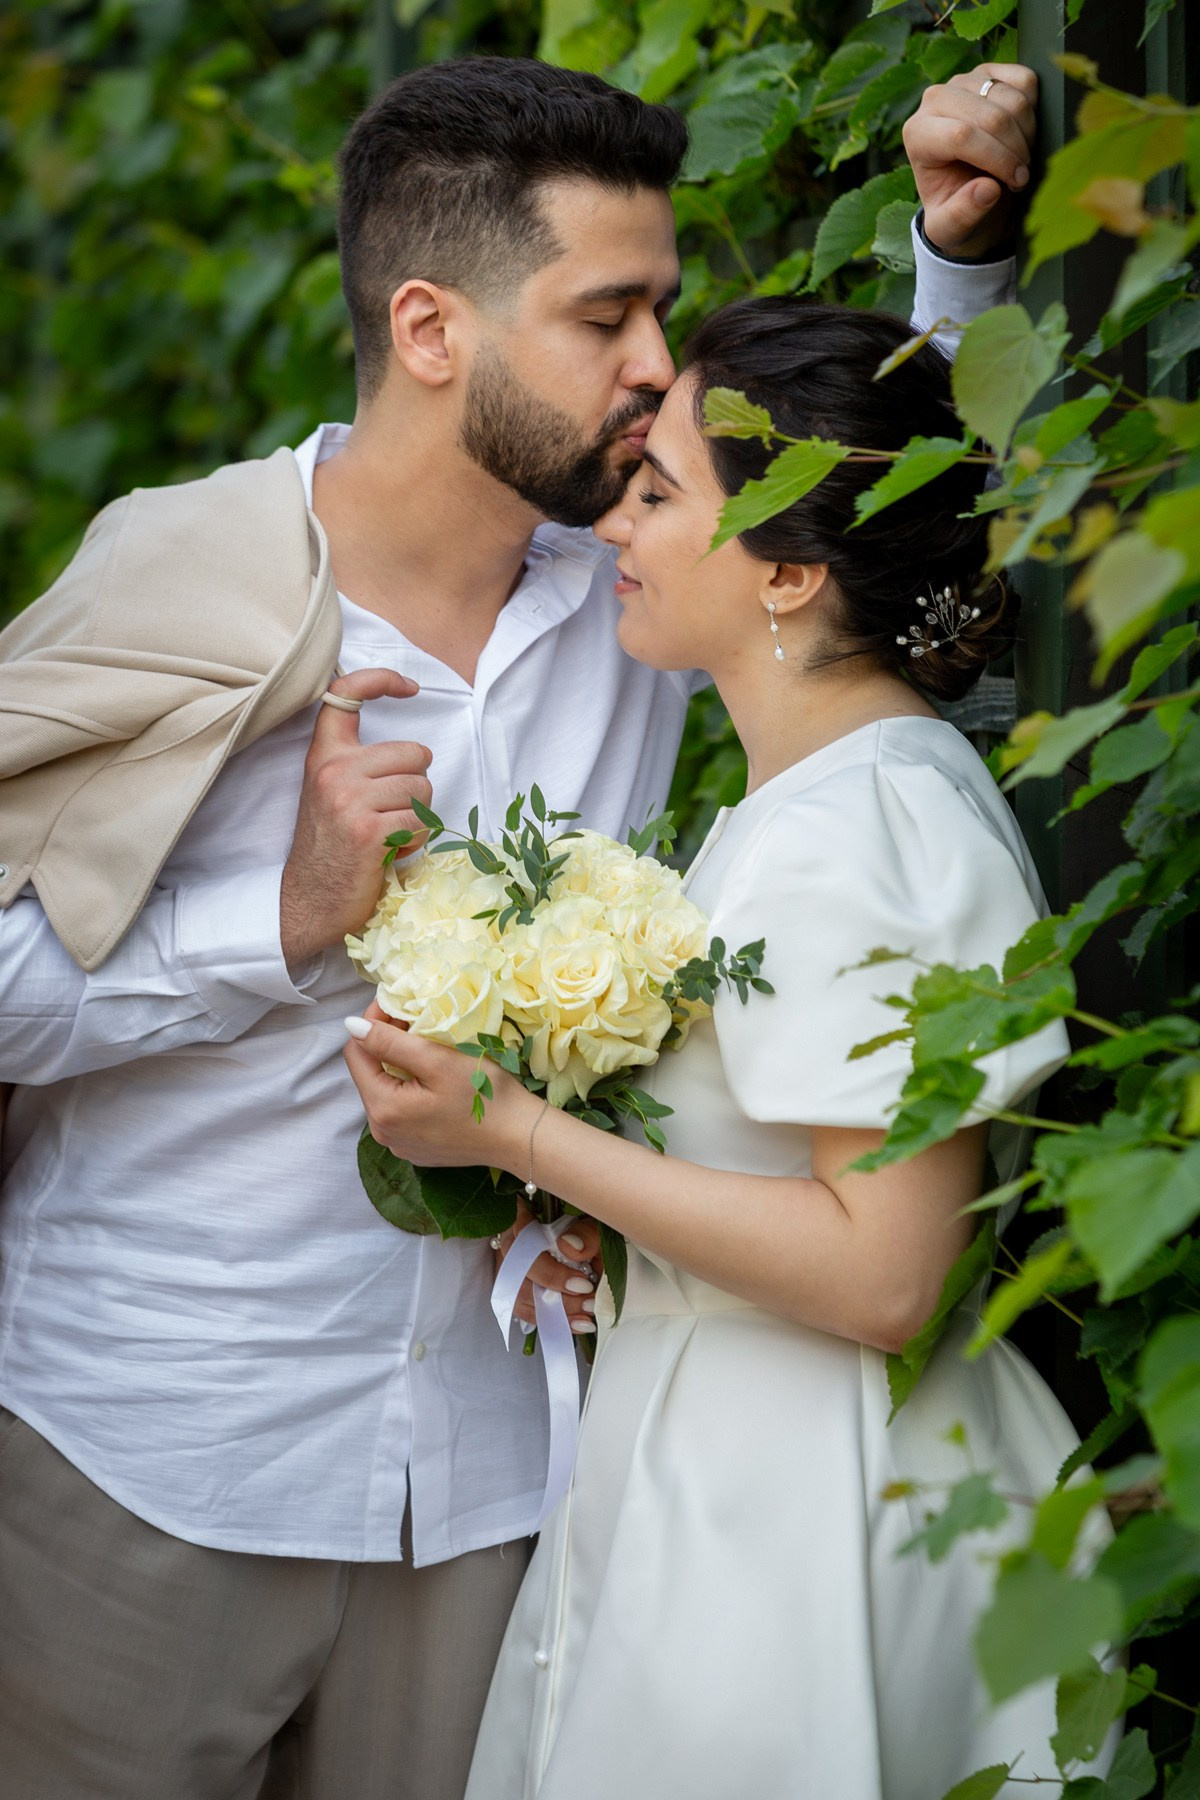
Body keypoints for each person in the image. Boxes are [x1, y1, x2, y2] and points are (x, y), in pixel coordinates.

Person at [0, 53, 1037, 1800]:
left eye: (665, 314)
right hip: (152, 1451)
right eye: (608, 316)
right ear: (432, 332)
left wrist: (961, 273)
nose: (657, 370)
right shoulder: (184, 577)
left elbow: (830, 536)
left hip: (496, 1482)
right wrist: (279, 920)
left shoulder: (633, 586)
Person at [344, 296, 1110, 1800]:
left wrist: (517, 1134)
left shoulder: (860, 827)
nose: (614, 523)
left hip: (808, 1505)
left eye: (658, 493)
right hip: (730, 1454)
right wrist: (625, 1230)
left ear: (796, 568)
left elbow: (890, 1272)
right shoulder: (814, 797)